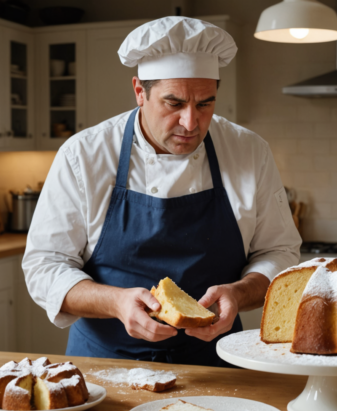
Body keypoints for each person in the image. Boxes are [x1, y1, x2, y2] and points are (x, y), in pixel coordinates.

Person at [22, 16, 300, 367]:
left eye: (205, 104)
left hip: (218, 363)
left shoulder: (249, 151)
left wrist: (240, 293)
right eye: (173, 103)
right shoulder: (84, 155)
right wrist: (115, 303)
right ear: (140, 91)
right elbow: (44, 266)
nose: (191, 123)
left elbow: (280, 252)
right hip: (105, 365)